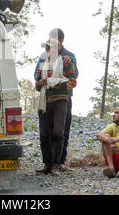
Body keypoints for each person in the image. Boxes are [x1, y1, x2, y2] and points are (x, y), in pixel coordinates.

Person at [34, 28, 78, 171]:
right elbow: (37, 77)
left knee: (60, 131)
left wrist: (59, 80)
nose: (49, 48)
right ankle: (48, 163)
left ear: (60, 42)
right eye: (47, 46)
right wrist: (40, 83)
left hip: (62, 99)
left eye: (53, 44)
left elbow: (74, 77)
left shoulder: (68, 58)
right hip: (45, 99)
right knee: (45, 133)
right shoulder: (42, 61)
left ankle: (58, 162)